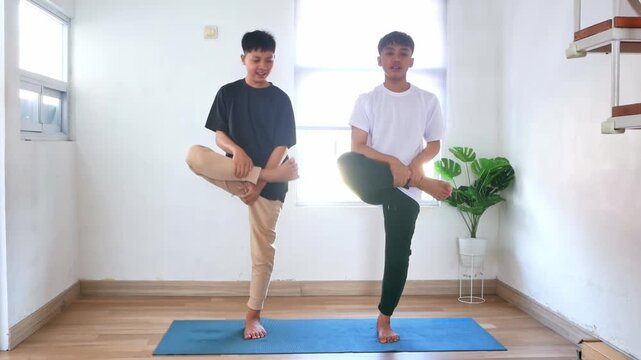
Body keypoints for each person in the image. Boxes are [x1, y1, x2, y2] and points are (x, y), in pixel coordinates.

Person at [337, 31, 453, 344]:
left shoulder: (427, 100)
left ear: (411, 61)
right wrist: (393, 163)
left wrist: (413, 167)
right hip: (375, 178)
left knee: (398, 253)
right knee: (345, 161)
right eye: (390, 53)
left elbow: (434, 145)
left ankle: (384, 318)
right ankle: (422, 183)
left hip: (406, 190)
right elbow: (358, 146)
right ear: (380, 60)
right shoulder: (368, 100)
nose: (396, 59)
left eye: (403, 53)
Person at [185, 30, 297, 340]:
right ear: (243, 59)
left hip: (268, 187)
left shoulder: (280, 99)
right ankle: (266, 175)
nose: (263, 66)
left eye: (269, 60)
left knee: (262, 254)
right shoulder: (228, 92)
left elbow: (282, 146)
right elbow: (218, 136)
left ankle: (253, 318)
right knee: (194, 155)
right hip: (241, 173)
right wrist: (238, 151)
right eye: (256, 59)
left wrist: (262, 183)